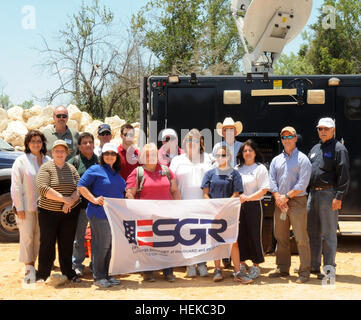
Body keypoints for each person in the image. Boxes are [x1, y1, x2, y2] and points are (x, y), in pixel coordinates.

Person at [126, 143, 181, 282]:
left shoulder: (166, 170)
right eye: (148, 155)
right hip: (145, 215)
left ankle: (168, 271)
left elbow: (174, 190)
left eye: (154, 154)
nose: (152, 157)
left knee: (166, 242)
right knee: (147, 243)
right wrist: (135, 210)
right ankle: (148, 271)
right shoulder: (138, 172)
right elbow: (129, 193)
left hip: (166, 214)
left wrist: (179, 208)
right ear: (144, 156)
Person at [78, 143, 126, 288]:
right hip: (99, 213)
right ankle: (99, 277)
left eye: (112, 153)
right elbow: (81, 186)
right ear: (102, 156)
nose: (109, 156)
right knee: (101, 245)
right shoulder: (95, 169)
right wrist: (93, 199)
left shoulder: (117, 173)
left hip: (114, 215)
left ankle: (107, 275)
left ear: (116, 157)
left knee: (111, 245)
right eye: (106, 154)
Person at [307, 117, 350, 279]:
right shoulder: (315, 148)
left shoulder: (339, 149)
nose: (323, 131)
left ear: (333, 130)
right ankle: (313, 265)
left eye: (326, 129)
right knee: (313, 232)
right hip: (313, 194)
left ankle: (329, 270)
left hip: (329, 194)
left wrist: (339, 196)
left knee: (329, 233)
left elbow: (344, 174)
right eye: (320, 129)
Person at [269, 126, 312, 284]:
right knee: (281, 237)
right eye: (283, 137)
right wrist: (278, 197)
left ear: (295, 138)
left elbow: (303, 183)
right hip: (280, 202)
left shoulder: (303, 159)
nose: (286, 140)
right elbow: (271, 180)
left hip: (297, 202)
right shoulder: (276, 160)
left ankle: (304, 271)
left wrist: (286, 197)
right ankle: (282, 268)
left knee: (301, 238)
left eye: (289, 137)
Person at [35, 140, 81, 284]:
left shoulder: (72, 169)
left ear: (67, 153)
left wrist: (71, 201)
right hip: (48, 212)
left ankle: (68, 272)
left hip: (69, 213)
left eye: (63, 151)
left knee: (67, 243)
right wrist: (64, 200)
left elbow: (79, 187)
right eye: (57, 151)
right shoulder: (46, 168)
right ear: (52, 152)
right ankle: (42, 273)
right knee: (47, 243)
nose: (60, 153)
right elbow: (42, 187)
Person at [170, 129, 213, 278]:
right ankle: (189, 264)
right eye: (189, 140)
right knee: (186, 233)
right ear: (185, 143)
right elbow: (171, 181)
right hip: (183, 202)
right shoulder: (177, 160)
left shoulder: (207, 158)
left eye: (195, 140)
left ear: (200, 143)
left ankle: (202, 263)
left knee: (203, 233)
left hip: (203, 203)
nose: (192, 143)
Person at [10, 130, 51, 285]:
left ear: (43, 143)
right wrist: (19, 207)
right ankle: (28, 268)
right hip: (26, 208)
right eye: (33, 141)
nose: (36, 144)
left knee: (41, 238)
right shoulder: (21, 161)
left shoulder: (48, 160)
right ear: (27, 144)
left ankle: (40, 268)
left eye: (39, 141)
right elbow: (16, 186)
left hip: (45, 207)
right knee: (27, 237)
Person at [201, 145, 243, 282]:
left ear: (229, 157)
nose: (220, 158)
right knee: (216, 242)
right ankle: (217, 269)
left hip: (230, 213)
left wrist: (224, 208)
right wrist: (215, 209)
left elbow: (236, 194)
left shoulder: (235, 173)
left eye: (223, 155)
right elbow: (205, 194)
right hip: (214, 213)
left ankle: (238, 271)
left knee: (233, 242)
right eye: (218, 155)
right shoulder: (209, 173)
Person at [234, 139, 270, 282]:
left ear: (255, 153)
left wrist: (248, 198)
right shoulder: (237, 168)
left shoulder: (260, 168)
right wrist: (239, 197)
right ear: (241, 154)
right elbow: (234, 187)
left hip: (254, 206)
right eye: (245, 151)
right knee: (240, 235)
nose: (247, 153)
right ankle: (242, 264)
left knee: (255, 235)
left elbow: (264, 190)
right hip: (239, 207)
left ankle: (256, 266)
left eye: (250, 150)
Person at [68, 132, 99, 276]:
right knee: (78, 237)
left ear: (94, 144)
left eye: (90, 142)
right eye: (84, 143)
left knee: (97, 236)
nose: (88, 145)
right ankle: (77, 265)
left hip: (97, 206)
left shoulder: (100, 161)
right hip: (80, 206)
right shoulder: (74, 162)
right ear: (79, 146)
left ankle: (95, 264)